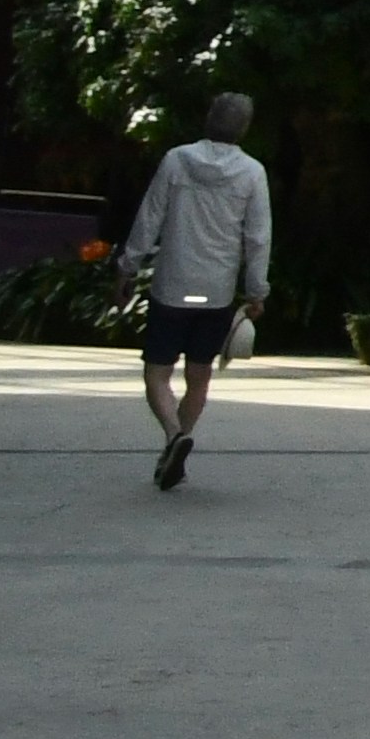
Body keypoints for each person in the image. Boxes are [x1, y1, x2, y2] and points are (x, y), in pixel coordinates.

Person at [126, 91, 271, 491]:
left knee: (156, 371)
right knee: (199, 375)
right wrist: (256, 290)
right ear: (244, 127)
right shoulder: (252, 172)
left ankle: (174, 437)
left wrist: (127, 266)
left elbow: (150, 215)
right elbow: (258, 237)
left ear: (209, 117)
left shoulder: (176, 159)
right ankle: (179, 443)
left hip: (172, 284)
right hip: (217, 292)